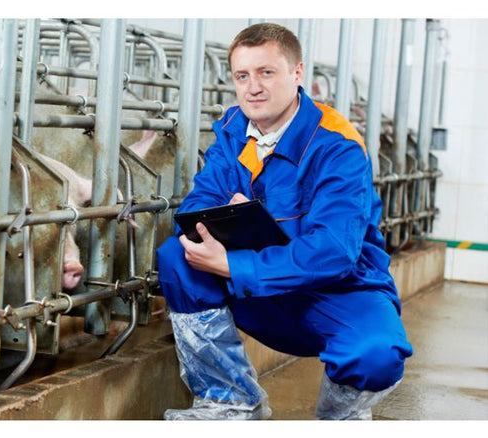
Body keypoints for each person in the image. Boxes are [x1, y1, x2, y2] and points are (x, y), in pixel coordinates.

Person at [157, 22, 413, 420]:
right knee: (178, 254)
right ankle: (231, 403)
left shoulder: (336, 145)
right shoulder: (233, 132)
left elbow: (334, 251)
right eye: (242, 75)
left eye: (266, 73)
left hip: (337, 293)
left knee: (377, 353)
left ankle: (340, 418)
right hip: (260, 292)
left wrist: (235, 262)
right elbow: (199, 204)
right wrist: (227, 224)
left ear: (297, 74)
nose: (253, 87)